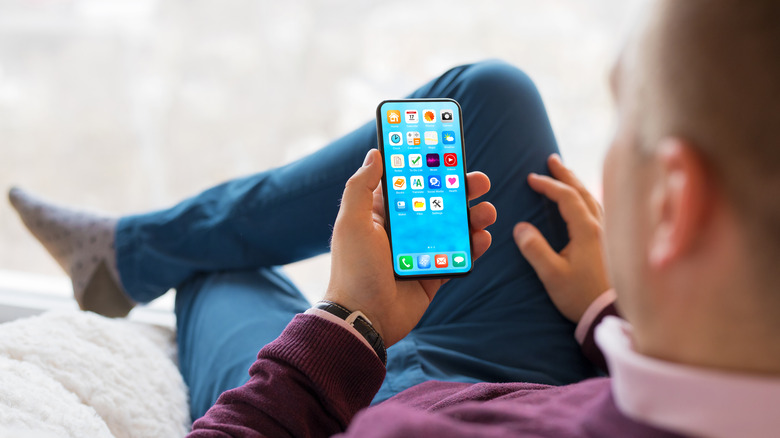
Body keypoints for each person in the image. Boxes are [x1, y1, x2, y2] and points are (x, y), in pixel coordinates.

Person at [8, 0, 780, 436]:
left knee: (222, 272)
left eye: (626, 120)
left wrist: (349, 322)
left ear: (673, 203)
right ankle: (135, 253)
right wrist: (614, 313)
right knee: (490, 95)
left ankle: (139, 255)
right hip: (556, 377)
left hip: (360, 399)